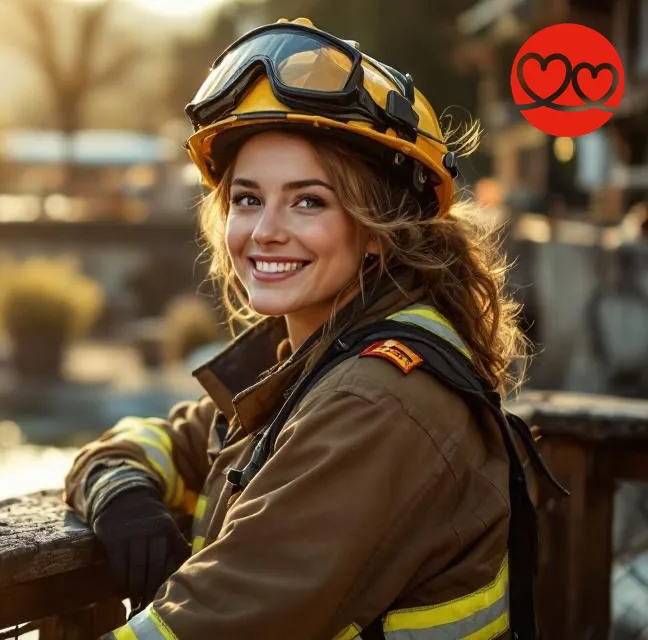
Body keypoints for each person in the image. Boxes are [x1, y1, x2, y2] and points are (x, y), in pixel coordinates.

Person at [62, 17, 561, 639]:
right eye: (247, 199)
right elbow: (155, 439)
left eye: (309, 201)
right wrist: (119, 492)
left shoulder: (377, 401)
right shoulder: (306, 361)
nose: (265, 230)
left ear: (379, 228)